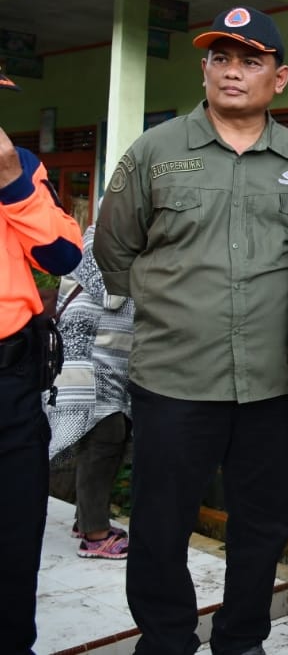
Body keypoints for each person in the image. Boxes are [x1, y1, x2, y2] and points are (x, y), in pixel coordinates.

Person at [95, 5, 288, 655]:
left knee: (263, 525)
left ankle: (241, 640)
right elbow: (113, 248)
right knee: (160, 525)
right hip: (174, 377)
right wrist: (175, 307)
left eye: (250, 60)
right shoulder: (155, 151)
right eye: (220, 58)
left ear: (279, 78)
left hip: (271, 382)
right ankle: (166, 641)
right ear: (205, 70)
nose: (232, 71)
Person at [0, 98, 83, 653]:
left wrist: (11, 179)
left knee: (14, 535)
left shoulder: (20, 166)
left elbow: (63, 255)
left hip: (10, 383)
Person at [49, 224, 135, 560]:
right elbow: (112, 295)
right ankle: (95, 534)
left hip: (112, 364)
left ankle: (85, 520)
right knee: (104, 438)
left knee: (111, 438)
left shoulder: (126, 247)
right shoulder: (91, 243)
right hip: (86, 361)